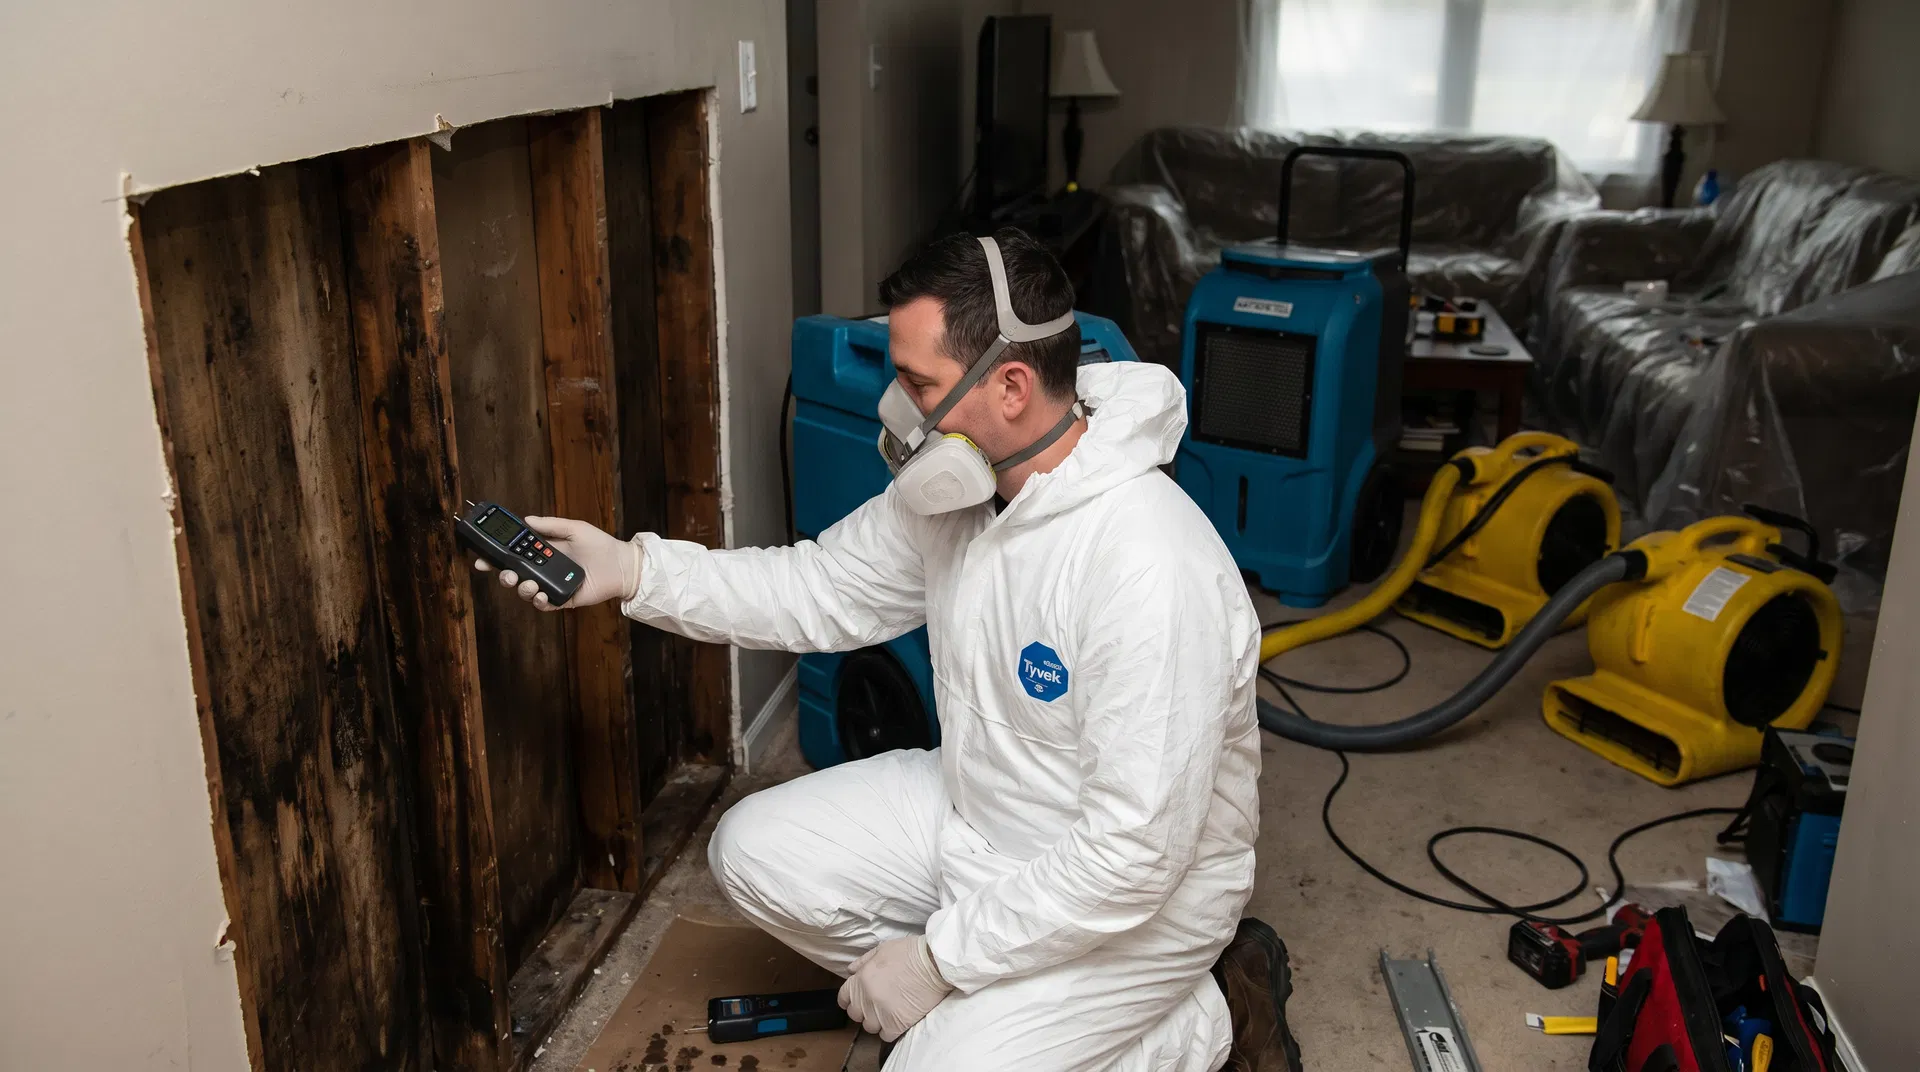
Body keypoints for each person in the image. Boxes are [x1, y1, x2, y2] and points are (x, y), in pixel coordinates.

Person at [475, 229, 1301, 1071]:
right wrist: (634, 570)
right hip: (984, 814)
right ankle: (1007, 1007)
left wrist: (938, 962)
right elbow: (816, 590)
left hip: (1139, 901)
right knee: (751, 852)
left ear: (1011, 385)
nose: (899, 412)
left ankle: (1204, 1015)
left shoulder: (1146, 566)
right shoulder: (962, 492)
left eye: (919, 383)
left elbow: (1132, 857)